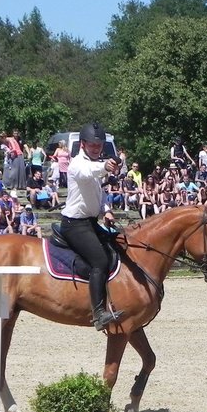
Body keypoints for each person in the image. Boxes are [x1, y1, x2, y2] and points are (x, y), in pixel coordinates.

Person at [59, 122, 124, 332]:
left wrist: (106, 210)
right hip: (74, 224)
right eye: (92, 145)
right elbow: (89, 174)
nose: (96, 148)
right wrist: (106, 167)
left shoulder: (95, 163)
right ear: (83, 145)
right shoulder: (77, 163)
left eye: (99, 145)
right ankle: (98, 314)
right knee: (100, 260)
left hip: (90, 221)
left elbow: (99, 192)